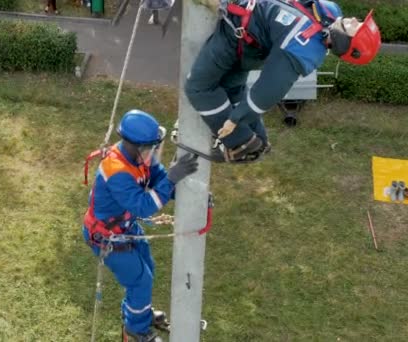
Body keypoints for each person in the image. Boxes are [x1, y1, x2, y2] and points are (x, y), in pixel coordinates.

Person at [184, 0, 382, 163]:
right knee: (232, 89)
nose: (355, 19)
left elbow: (268, 91)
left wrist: (234, 120)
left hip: (237, 37)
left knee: (199, 89)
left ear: (345, 41)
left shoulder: (303, 48)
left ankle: (241, 143)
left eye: (355, 26)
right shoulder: (327, 12)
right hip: (247, 36)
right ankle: (257, 140)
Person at [82, 110, 199, 342]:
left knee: (147, 269)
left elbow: (158, 178)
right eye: (150, 150)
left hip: (123, 229)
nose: (153, 154)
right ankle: (136, 329)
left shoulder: (139, 156)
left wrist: (190, 194)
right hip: (106, 237)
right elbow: (144, 206)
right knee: (139, 279)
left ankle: (139, 314)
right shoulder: (116, 172)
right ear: (135, 146)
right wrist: (171, 180)